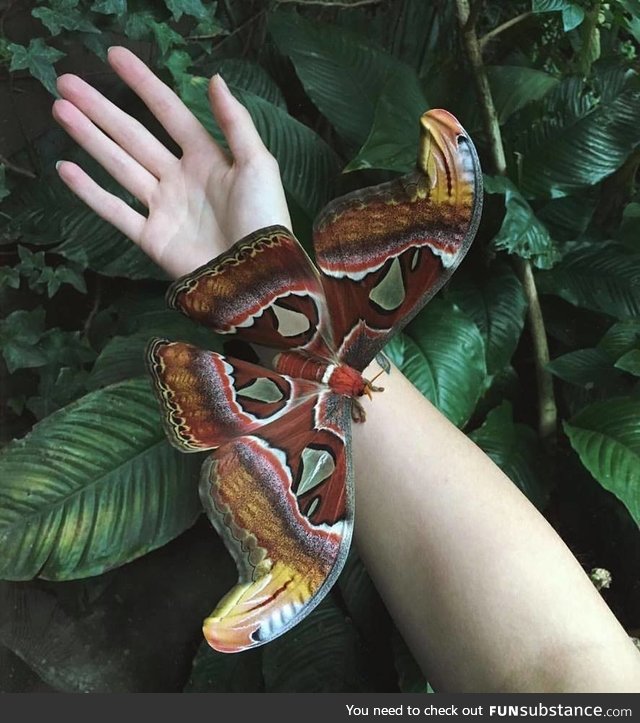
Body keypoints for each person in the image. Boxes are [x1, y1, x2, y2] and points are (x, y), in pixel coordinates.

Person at [52, 46, 640, 693]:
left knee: (317, 526)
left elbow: (560, 661)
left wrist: (274, 302)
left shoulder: (354, 377)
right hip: (305, 350)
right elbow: (559, 662)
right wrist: (263, 269)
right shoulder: (356, 379)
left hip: (307, 355)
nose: (367, 389)